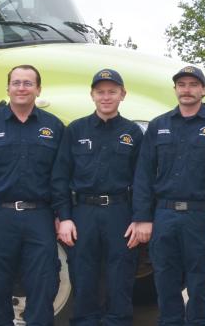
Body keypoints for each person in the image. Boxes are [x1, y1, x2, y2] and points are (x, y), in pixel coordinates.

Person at [0, 65, 64, 326]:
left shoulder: (53, 127)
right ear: (7, 88)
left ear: (38, 89)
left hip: (39, 216)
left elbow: (60, 178)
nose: (21, 88)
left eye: (28, 83)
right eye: (16, 83)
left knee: (44, 282)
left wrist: (63, 215)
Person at [132, 66, 205, 326]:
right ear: (175, 89)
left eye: (193, 85)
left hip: (200, 215)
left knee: (198, 281)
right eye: (182, 85)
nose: (187, 90)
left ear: (203, 90)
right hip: (163, 214)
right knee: (165, 279)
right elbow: (143, 175)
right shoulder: (158, 125)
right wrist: (143, 217)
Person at [50, 69, 145, 326]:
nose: (106, 97)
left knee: (121, 274)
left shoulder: (133, 133)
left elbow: (142, 180)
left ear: (122, 95)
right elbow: (60, 176)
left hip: (120, 212)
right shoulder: (75, 130)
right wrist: (64, 217)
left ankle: (118, 321)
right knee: (83, 273)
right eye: (100, 92)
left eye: (112, 92)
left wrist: (140, 218)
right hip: (83, 212)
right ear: (92, 95)